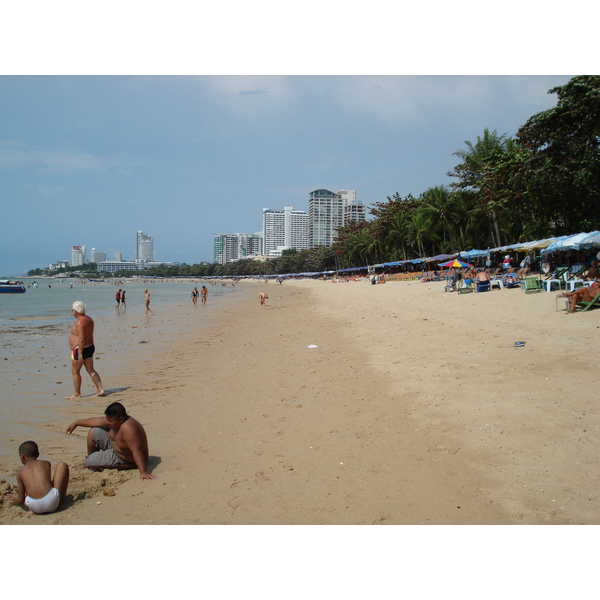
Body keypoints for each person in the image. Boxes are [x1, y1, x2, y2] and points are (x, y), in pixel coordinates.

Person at [66, 402, 156, 480]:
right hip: (116, 446)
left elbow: (137, 450)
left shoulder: (128, 428)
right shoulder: (116, 421)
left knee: (90, 462)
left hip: (126, 459)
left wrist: (144, 472)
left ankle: (90, 463)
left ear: (121, 419)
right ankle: (91, 460)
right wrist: (76, 423)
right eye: (107, 420)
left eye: (110, 421)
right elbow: (96, 421)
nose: (108, 423)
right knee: (94, 431)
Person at [6, 441, 69, 515]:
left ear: (22, 456)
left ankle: (36, 508)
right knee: (62, 465)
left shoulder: (20, 472)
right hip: (52, 502)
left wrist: (16, 499)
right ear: (38, 454)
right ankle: (61, 501)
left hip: (34, 506)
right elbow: (48, 483)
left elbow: (21, 500)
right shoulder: (46, 463)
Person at [67, 301, 105, 399]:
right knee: (90, 369)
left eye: (72, 310)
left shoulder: (80, 322)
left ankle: (77, 393)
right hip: (90, 346)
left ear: (75, 311)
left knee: (75, 371)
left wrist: (79, 353)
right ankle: (100, 389)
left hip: (80, 349)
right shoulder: (89, 319)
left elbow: (82, 338)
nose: (72, 312)